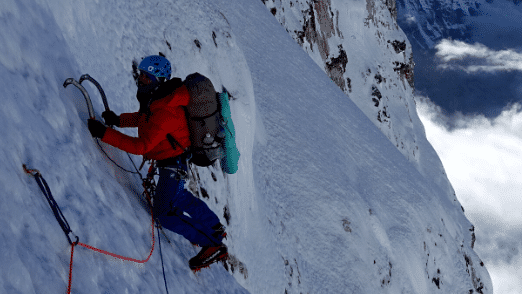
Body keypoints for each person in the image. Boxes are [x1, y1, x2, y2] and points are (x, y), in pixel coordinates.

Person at [87, 55, 227, 270]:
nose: (141, 79)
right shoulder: (158, 99)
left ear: (159, 79)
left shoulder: (165, 110)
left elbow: (141, 146)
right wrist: (118, 120)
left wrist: (105, 134)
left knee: (165, 213)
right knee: (178, 197)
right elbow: (143, 118)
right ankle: (214, 226)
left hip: (173, 164)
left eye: (147, 76)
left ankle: (212, 244)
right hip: (174, 162)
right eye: (141, 75)